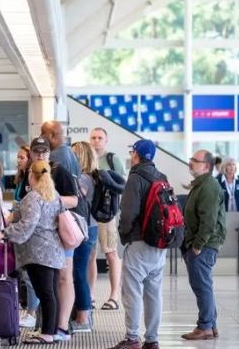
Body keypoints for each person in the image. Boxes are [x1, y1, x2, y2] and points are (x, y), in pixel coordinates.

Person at [0, 160, 66, 344]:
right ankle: (51, 331)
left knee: (45, 293)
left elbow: (27, 226)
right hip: (54, 250)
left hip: (38, 252)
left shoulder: (34, 197)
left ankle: (47, 333)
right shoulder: (53, 195)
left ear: (32, 175)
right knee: (51, 292)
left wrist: (3, 233)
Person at [109, 140, 167, 349]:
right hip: (160, 245)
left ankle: (132, 338)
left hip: (140, 243)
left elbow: (128, 213)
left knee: (132, 291)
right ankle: (152, 339)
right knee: (153, 293)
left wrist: (124, 236)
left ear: (135, 155)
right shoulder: (161, 177)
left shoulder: (135, 177)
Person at [30, 135, 79, 341]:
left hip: (61, 231)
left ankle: (62, 327)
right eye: (37, 151)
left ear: (49, 153)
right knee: (47, 282)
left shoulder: (59, 171)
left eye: (44, 152)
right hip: (41, 234)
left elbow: (74, 200)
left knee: (64, 277)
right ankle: (49, 326)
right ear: (31, 153)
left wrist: (48, 200)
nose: (41, 155)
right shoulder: (29, 172)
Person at [180, 149, 222, 341]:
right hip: (199, 243)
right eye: (190, 160)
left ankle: (204, 326)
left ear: (206, 166)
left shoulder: (209, 186)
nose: (190, 163)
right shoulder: (200, 185)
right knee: (203, 285)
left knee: (202, 286)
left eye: (194, 161)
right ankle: (210, 326)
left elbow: (209, 220)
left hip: (203, 245)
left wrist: (197, 245)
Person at [89, 128, 124, 311]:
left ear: (106, 140)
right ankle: (90, 295)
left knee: (111, 253)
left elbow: (122, 184)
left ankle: (114, 296)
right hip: (89, 213)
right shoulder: (87, 159)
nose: (96, 141)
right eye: (93, 138)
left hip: (107, 213)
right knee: (90, 254)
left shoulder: (112, 159)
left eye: (100, 138)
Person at [69, 141, 100, 333]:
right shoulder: (91, 177)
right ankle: (82, 314)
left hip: (83, 228)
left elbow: (76, 199)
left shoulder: (83, 179)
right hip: (89, 227)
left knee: (78, 272)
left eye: (73, 155)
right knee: (79, 271)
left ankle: (83, 317)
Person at [12, 145, 42, 328]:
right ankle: (31, 311)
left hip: (29, 230)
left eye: (22, 157)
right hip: (21, 225)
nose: (18, 160)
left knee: (31, 274)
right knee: (26, 273)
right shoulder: (21, 179)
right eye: (18, 157)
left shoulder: (31, 183)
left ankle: (32, 312)